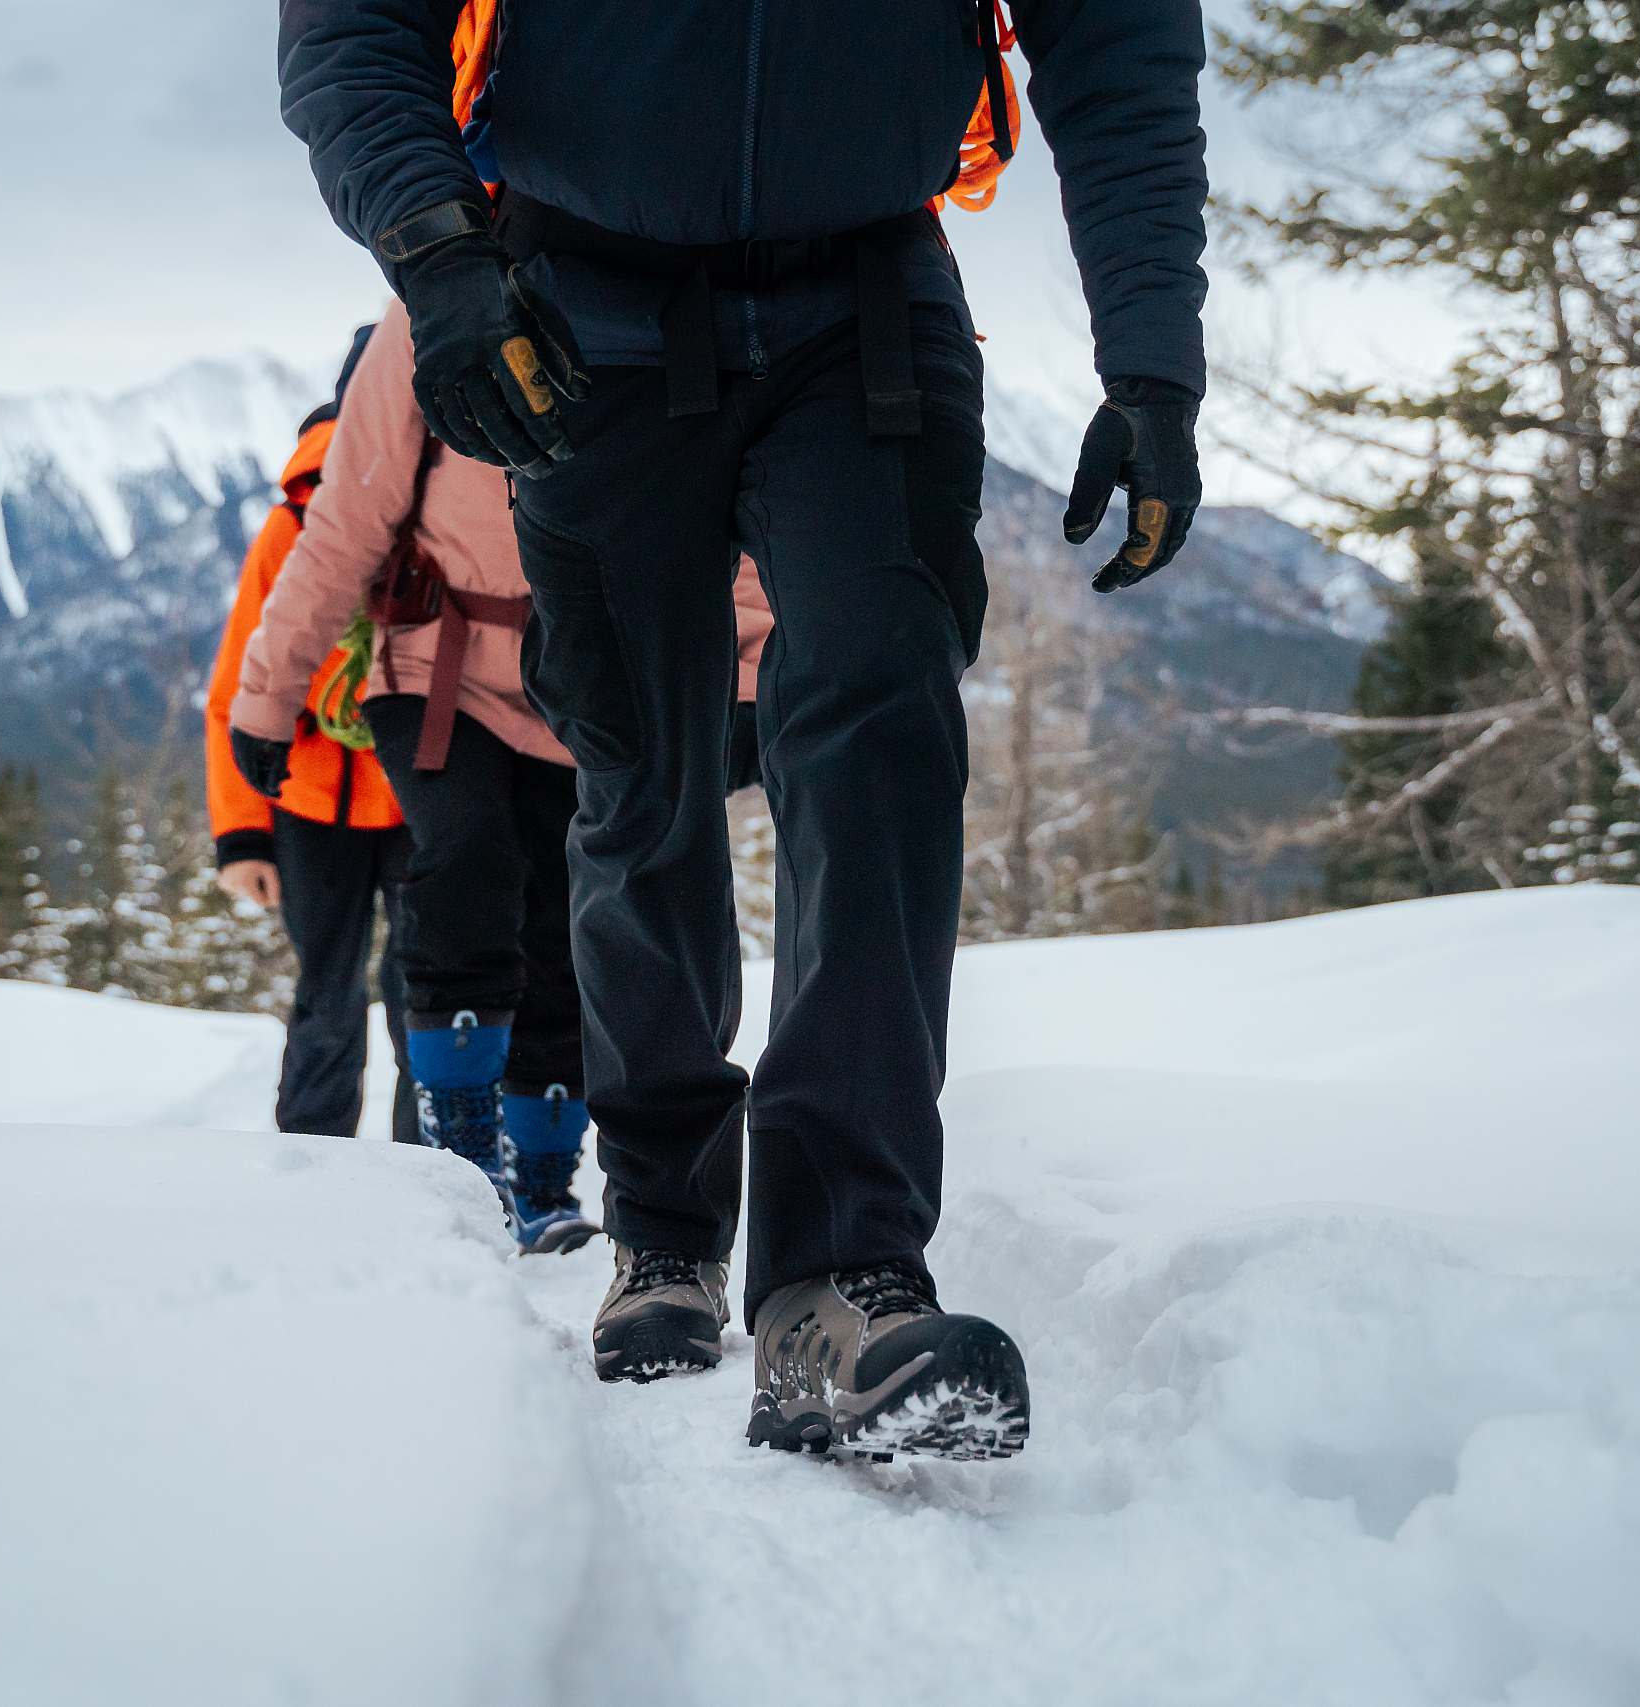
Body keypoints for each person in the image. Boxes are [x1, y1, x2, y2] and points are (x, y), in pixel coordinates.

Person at [275, 0, 1208, 1457]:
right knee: (637, 776)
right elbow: (353, 23)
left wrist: (1151, 356)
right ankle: (661, 1225)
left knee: (879, 732)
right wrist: (435, 248)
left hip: (868, 300)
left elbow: (1122, 39)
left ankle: (842, 1275)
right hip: (573, 301)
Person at [229, 307, 774, 1255]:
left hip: (587, 674)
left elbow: (730, 510)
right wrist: (270, 700)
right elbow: (345, 522)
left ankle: (542, 1179)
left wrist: (740, 682)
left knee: (565, 924)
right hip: (436, 665)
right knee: (464, 859)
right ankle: (460, 1155)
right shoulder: (428, 309)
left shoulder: (653, 275)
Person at [205, 326, 419, 1146]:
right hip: (337, 795)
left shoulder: (432, 497)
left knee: (387, 992)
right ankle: (342, 1160)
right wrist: (240, 836)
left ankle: (377, 1156)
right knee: (352, 993)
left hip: (394, 793)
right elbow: (236, 688)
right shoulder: (295, 522)